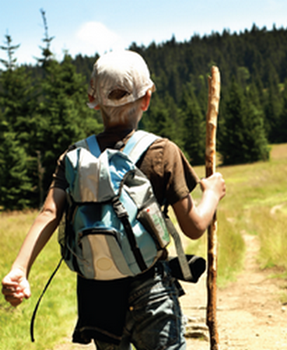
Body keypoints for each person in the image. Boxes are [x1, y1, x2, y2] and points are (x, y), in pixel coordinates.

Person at [2, 50, 226, 350]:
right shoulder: (162, 152)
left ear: (93, 100)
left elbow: (48, 214)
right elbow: (195, 227)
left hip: (97, 297)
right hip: (152, 291)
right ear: (146, 98)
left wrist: (20, 269)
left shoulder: (74, 158)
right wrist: (212, 193)